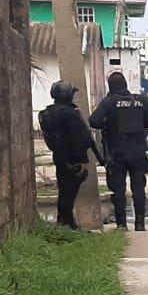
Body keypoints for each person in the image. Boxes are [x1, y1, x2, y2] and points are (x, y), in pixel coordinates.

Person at [89, 72, 148, 231]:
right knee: (139, 188)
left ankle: (121, 224)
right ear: (125, 84)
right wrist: (140, 124)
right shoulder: (140, 101)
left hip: (117, 152)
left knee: (119, 190)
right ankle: (140, 223)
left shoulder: (109, 102)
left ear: (110, 86)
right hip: (139, 151)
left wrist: (109, 122)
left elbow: (94, 121)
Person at [37, 80, 102, 229]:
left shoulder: (47, 113)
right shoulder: (70, 114)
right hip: (72, 157)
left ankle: (64, 221)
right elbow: (78, 138)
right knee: (69, 191)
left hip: (59, 155)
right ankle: (67, 222)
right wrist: (83, 160)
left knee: (64, 189)